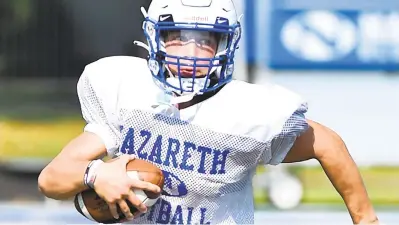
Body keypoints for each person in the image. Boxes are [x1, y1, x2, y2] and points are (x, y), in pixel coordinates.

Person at [38, 0, 380, 224]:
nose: (189, 50)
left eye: (205, 39)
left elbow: (327, 144)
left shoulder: (247, 112)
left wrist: (366, 218)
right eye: (176, 36)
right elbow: (51, 178)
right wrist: (97, 174)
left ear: (226, 44)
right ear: (154, 37)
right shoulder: (126, 92)